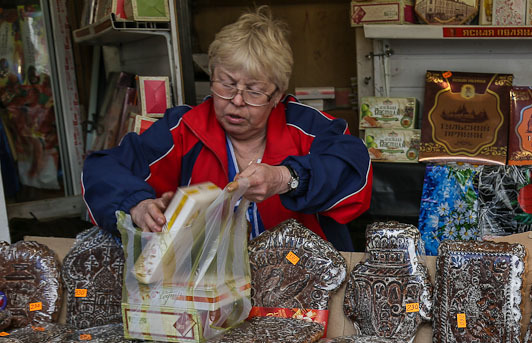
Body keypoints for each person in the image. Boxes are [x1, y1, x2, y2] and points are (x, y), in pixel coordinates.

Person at [81, 6, 372, 251]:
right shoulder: (182, 129)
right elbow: (102, 170)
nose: (236, 100)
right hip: (206, 291)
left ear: (277, 96)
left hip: (306, 287)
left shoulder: (308, 128)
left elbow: (352, 168)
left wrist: (286, 177)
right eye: (227, 83)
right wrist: (137, 204)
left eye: (254, 91)